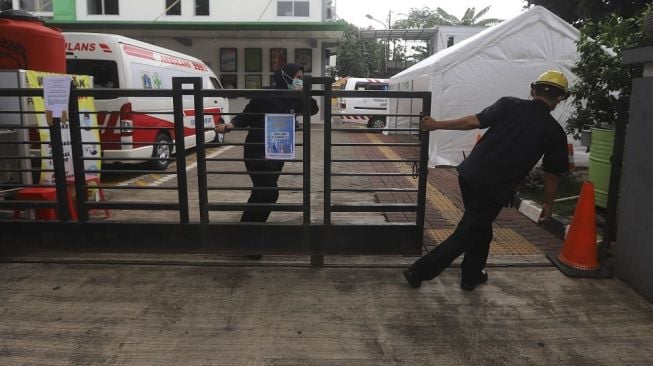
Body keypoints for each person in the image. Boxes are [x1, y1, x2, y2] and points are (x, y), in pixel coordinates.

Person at [403, 70, 570, 291]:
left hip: (469, 175)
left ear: (532, 90)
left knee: (480, 229)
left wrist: (437, 124)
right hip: (494, 188)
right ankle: (419, 271)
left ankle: (471, 276)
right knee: (467, 233)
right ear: (560, 98)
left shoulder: (508, 104)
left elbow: (473, 122)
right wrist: (548, 206)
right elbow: (552, 174)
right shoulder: (555, 132)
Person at [216, 63, 319, 224]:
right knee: (270, 192)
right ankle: (249, 229)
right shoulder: (265, 94)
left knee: (260, 192)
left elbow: (313, 109)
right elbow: (247, 115)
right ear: (286, 76)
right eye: (298, 77)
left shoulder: (295, 98)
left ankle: (249, 229)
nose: (300, 80)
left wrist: (303, 94)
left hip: (277, 153)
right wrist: (232, 125)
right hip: (257, 152)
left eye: (302, 78)